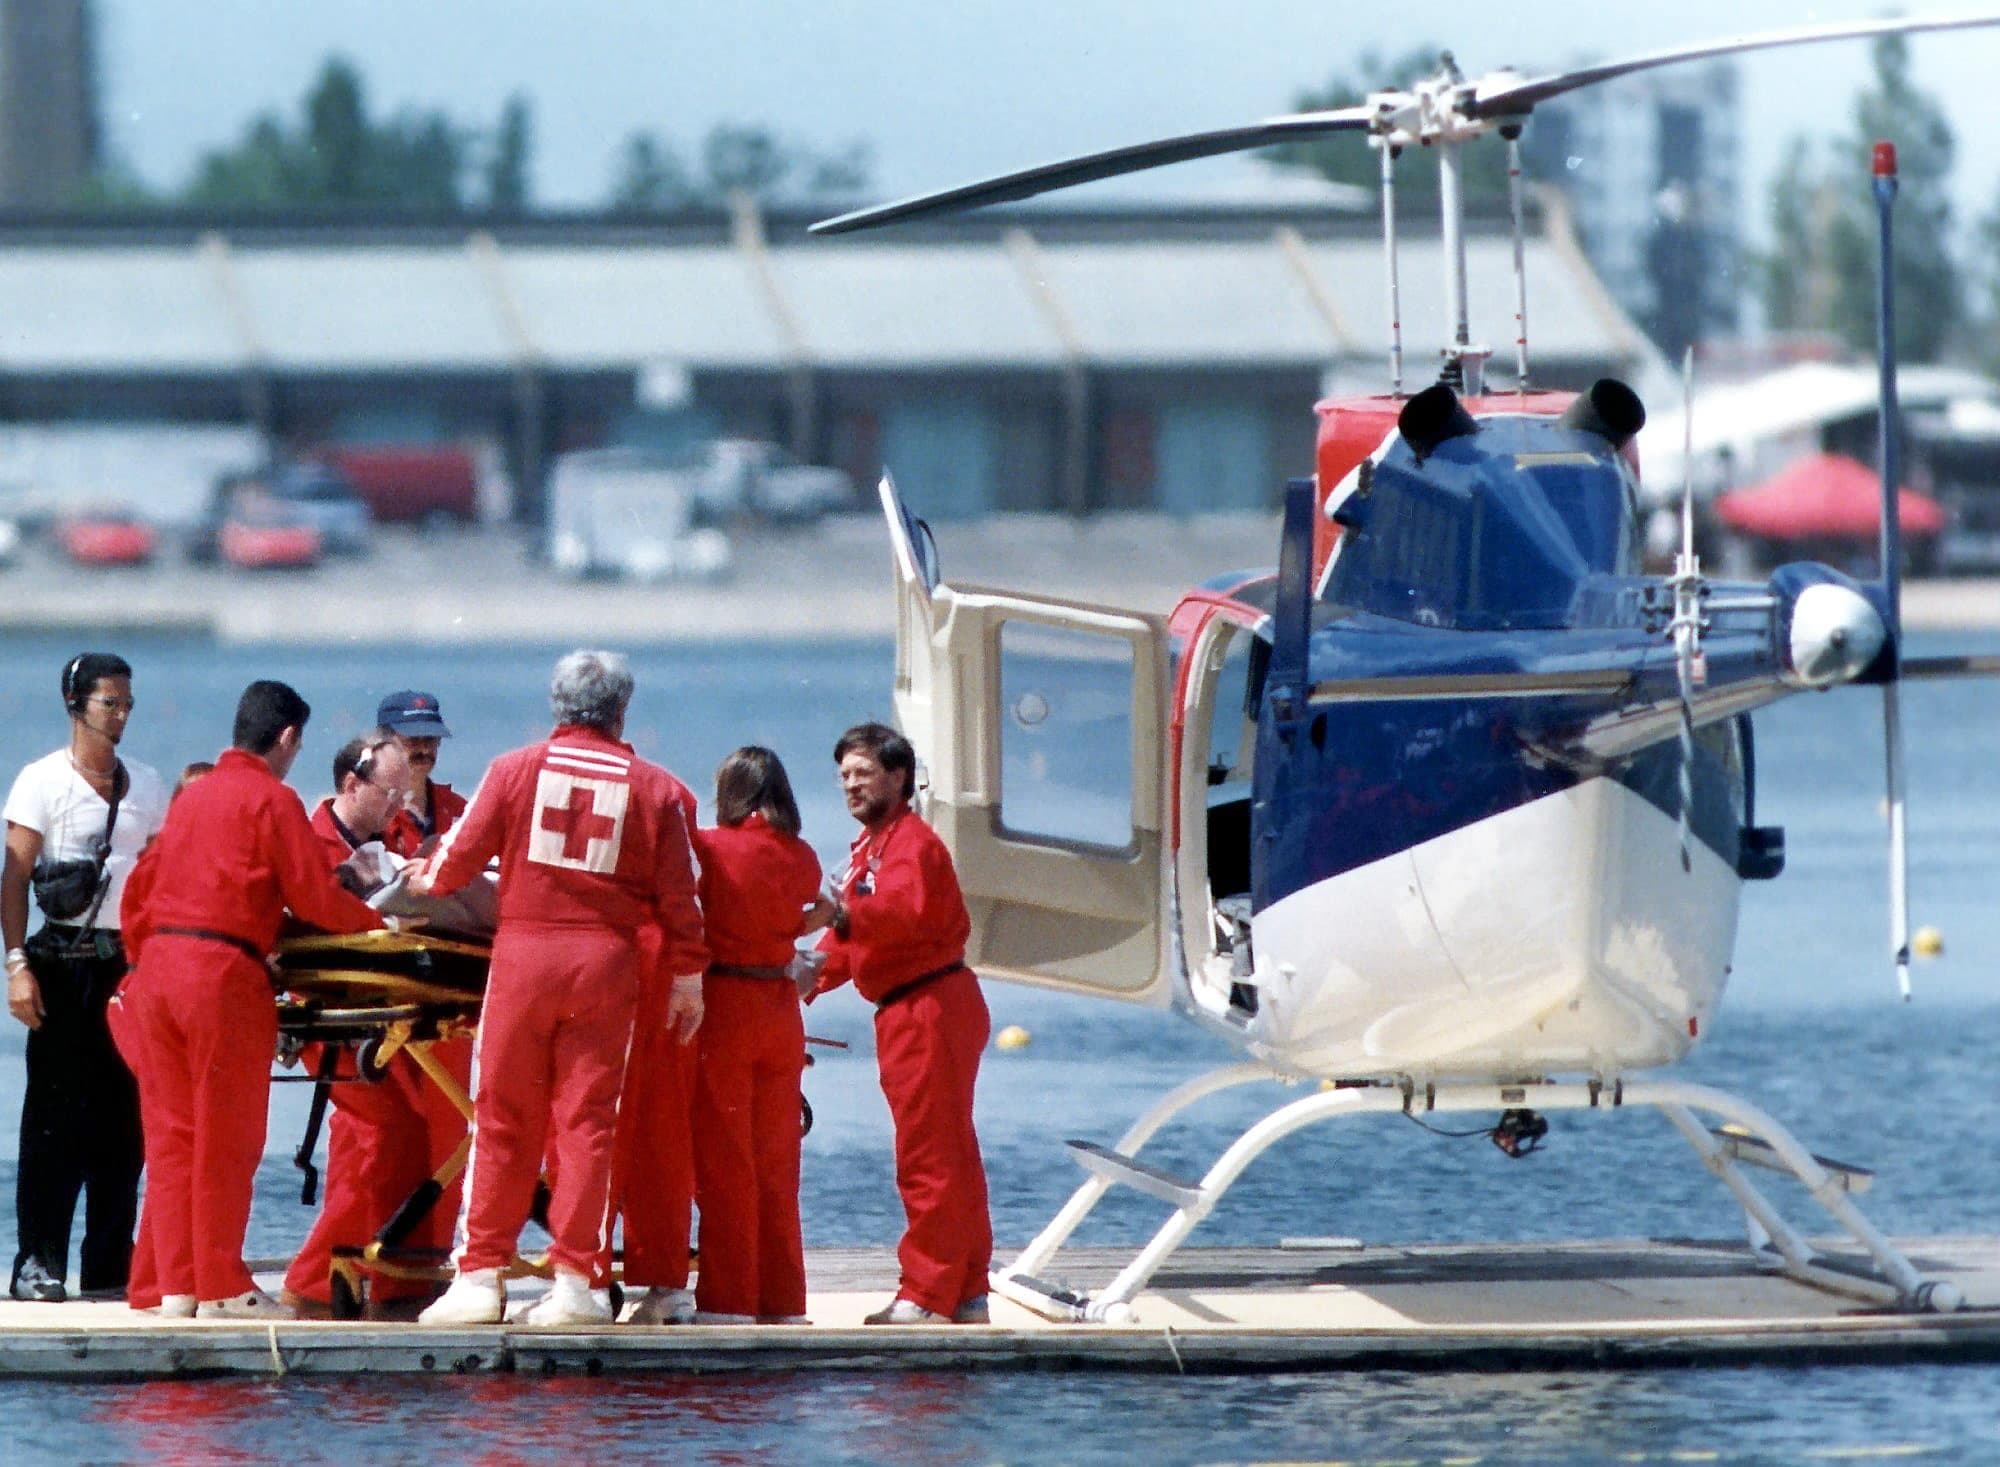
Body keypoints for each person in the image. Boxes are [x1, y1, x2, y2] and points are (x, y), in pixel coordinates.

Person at [416, 650, 706, 1327]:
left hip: (522, 960)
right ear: (621, 710)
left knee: (499, 1117)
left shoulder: (512, 770)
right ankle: (577, 1280)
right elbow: (680, 894)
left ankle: (480, 1276)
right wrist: (688, 974)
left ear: (555, 704)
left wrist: (420, 878)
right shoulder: (656, 787)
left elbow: (457, 859)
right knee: (587, 1125)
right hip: (607, 964)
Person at [125, 680, 384, 1319]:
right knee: (228, 1133)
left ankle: (173, 1285)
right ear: (288, 736)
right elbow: (317, 900)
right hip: (221, 974)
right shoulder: (273, 799)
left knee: (171, 1136)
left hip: (157, 971)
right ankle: (219, 1286)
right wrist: (379, 927)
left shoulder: (194, 795)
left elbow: (142, 890)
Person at [809, 722, 993, 1325]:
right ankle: (966, 1289)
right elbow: (856, 934)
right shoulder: (873, 846)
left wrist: (840, 911)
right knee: (952, 1153)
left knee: (929, 1158)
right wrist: (802, 977)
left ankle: (926, 1294)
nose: (851, 786)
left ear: (898, 777)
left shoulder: (910, 844)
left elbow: (898, 914)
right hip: (919, 1005)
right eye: (843, 776)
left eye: (863, 773)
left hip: (928, 1006)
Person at [1, 652, 168, 1304]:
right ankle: (37, 1261)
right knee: (52, 1121)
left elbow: (162, 876)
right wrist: (16, 965)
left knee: (123, 1122)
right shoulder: (40, 781)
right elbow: (13, 878)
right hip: (60, 964)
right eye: (109, 702)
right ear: (76, 704)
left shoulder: (147, 785)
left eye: (128, 701)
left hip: (126, 967)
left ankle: (109, 1261)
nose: (121, 713)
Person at [281, 732, 445, 1319]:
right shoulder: (312, 843)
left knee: (409, 1131)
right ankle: (319, 1278)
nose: (401, 804)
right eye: (391, 792)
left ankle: (380, 1274)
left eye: (406, 793)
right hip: (331, 1013)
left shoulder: (379, 840)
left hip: (378, 1006)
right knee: (388, 1133)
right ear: (353, 784)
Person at [690, 747, 825, 1325]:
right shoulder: (803, 856)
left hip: (727, 1003)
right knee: (777, 1164)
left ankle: (729, 1300)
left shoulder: (710, 847)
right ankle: (783, 1301)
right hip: (780, 1009)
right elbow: (810, 911)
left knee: (726, 1161)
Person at [110, 759, 212, 1314]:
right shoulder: (158, 866)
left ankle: (156, 1278)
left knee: (179, 1140)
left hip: (156, 1001)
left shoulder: (187, 864)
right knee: (178, 1139)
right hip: (143, 1004)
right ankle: (161, 1279)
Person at [378, 690, 465, 855]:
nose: (424, 749)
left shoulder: (458, 809)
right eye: (413, 740)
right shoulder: (371, 809)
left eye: (430, 739)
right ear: (383, 741)